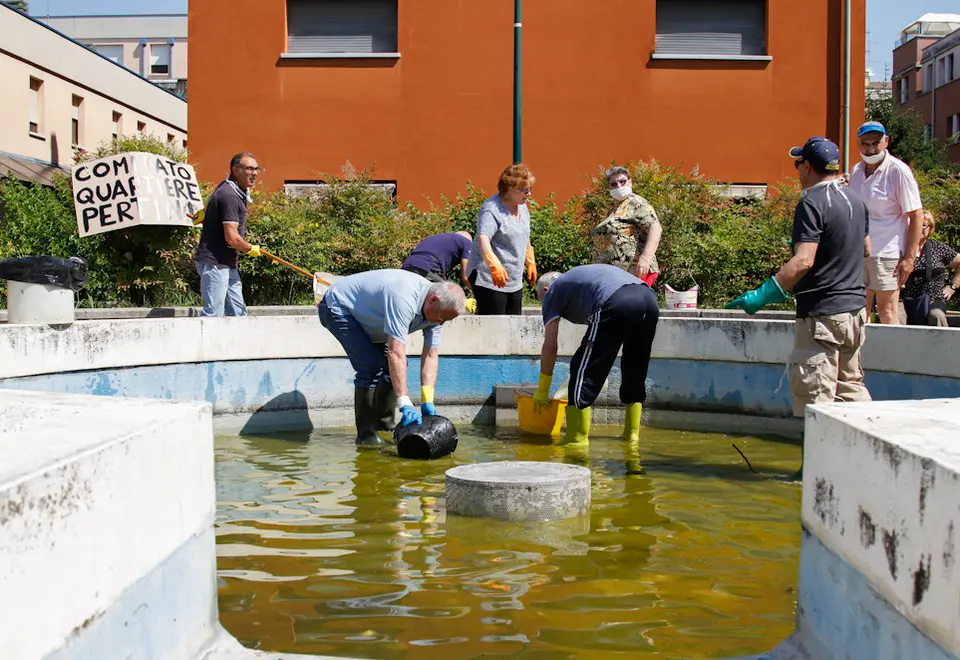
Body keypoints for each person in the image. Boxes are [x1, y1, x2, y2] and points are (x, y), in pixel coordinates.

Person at [727, 137, 872, 476]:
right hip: (854, 313)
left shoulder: (812, 203)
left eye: (797, 164)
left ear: (808, 167)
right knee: (850, 394)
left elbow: (803, 261)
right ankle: (862, 468)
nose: (796, 171)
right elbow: (866, 249)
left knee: (816, 398)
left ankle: (812, 478)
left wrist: (763, 294)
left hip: (822, 315)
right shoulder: (855, 200)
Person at [317, 269, 467, 446]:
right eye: (442, 318)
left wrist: (427, 399)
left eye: (446, 321)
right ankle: (366, 436)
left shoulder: (438, 311)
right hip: (339, 307)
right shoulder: (403, 297)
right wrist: (405, 402)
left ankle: (384, 425)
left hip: (373, 318)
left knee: (391, 370)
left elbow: (431, 354)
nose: (441, 323)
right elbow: (395, 353)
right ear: (433, 300)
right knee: (370, 367)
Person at [532, 264, 659, 447]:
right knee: (635, 366)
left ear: (546, 290)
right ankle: (631, 436)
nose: (545, 307)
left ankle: (576, 439)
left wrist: (542, 390)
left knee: (581, 369)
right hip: (649, 299)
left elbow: (550, 346)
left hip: (618, 300)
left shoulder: (553, 292)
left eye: (541, 301)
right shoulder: (579, 283)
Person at [848, 121, 924, 325]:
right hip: (857, 253)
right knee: (855, 310)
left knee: (887, 309)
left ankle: (896, 357)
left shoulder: (898, 171)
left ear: (886, 141)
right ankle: (857, 356)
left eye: (876, 142)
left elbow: (917, 215)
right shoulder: (855, 171)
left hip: (887, 254)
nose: (871, 148)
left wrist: (909, 258)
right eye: (865, 143)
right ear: (858, 144)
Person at [194, 152, 265, 317]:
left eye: (256, 169)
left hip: (226, 262)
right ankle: (208, 343)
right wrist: (250, 248)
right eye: (249, 169)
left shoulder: (232, 189)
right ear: (235, 170)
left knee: (238, 314)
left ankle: (240, 343)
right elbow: (232, 238)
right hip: (215, 263)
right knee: (213, 315)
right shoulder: (230, 195)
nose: (254, 173)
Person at [464, 164, 538, 315]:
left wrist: (530, 260)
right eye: (525, 190)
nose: (529, 194)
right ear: (511, 189)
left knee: (513, 327)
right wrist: (493, 265)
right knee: (494, 328)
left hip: (514, 279)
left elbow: (524, 235)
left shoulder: (522, 206)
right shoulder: (492, 209)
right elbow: (483, 239)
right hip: (488, 278)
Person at [591, 166, 663, 287]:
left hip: (634, 271)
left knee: (630, 305)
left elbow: (655, 227)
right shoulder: (616, 209)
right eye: (613, 184)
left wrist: (646, 258)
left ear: (630, 182)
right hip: (615, 275)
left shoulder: (636, 202)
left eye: (622, 181)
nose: (618, 186)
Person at [902, 211, 960, 327]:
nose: (919, 228)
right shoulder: (901, 247)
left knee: (936, 315)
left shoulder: (938, 247)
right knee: (896, 320)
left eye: (923, 225)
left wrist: (953, 286)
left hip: (934, 297)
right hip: (903, 299)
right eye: (915, 224)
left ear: (930, 228)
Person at [402, 231, 474, 289]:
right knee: (448, 298)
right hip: (427, 267)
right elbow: (466, 275)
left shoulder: (437, 238)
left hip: (407, 266)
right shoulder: (467, 242)